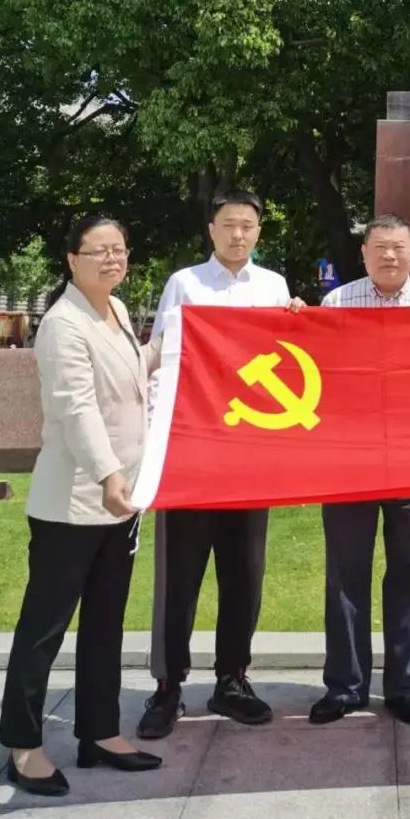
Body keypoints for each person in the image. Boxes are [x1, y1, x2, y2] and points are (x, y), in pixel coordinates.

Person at [0, 216, 162, 796]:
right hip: (72, 503)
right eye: (99, 251)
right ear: (72, 259)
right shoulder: (62, 324)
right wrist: (109, 473)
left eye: (120, 249)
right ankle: (22, 744)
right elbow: (77, 408)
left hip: (122, 502)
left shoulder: (115, 310)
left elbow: (134, 372)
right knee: (44, 628)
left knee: (105, 624)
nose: (113, 259)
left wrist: (183, 341)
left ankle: (99, 732)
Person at [138, 188, 304, 740]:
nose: (238, 234)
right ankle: (168, 686)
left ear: (259, 231)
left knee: (244, 574)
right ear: (211, 229)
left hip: (250, 457)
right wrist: (158, 438)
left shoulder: (273, 286)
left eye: (248, 225)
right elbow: (163, 360)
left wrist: (300, 323)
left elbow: (290, 360)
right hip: (194, 452)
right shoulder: (185, 283)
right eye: (229, 224)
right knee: (179, 577)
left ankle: (232, 679)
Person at [309, 213, 410, 725]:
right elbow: (319, 377)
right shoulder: (337, 304)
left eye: (399, 247)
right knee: (345, 573)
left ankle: (404, 686)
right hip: (350, 457)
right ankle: (345, 686)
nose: (390, 256)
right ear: (364, 253)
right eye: (380, 247)